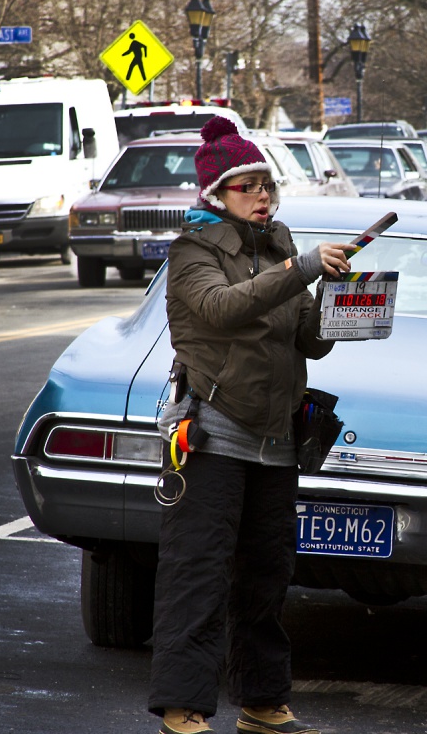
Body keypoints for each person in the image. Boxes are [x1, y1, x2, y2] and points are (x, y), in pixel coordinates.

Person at [149, 116, 353, 734]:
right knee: (198, 574)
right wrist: (302, 270)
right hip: (212, 435)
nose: (261, 194)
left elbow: (308, 339)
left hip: (277, 441)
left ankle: (263, 704)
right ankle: (185, 707)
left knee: (266, 580)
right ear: (217, 195)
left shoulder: (281, 243)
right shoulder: (192, 251)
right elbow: (220, 308)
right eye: (245, 185)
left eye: (265, 182)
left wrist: (351, 306)